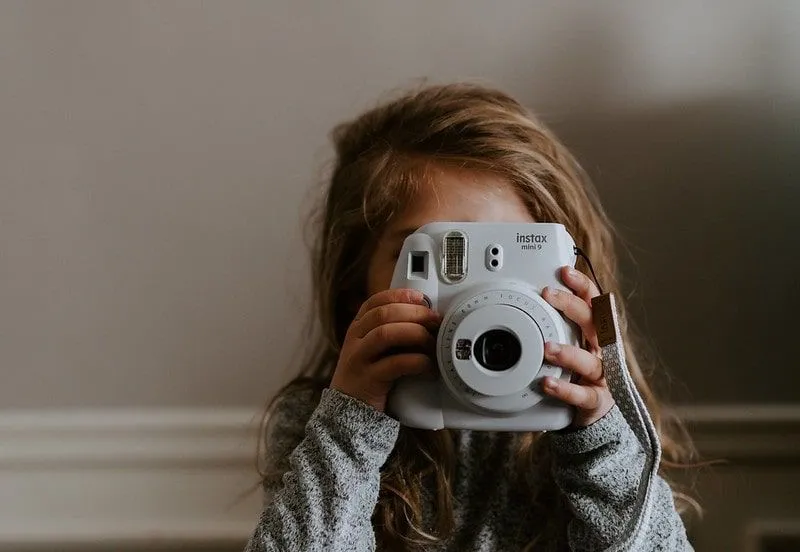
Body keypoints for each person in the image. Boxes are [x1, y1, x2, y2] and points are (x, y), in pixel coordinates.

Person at [244, 82, 698, 551]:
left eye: (503, 258)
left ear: (572, 273)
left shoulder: (597, 420)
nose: (474, 302)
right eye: (434, 258)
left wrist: (601, 441)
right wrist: (349, 427)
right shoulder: (317, 418)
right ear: (354, 284)